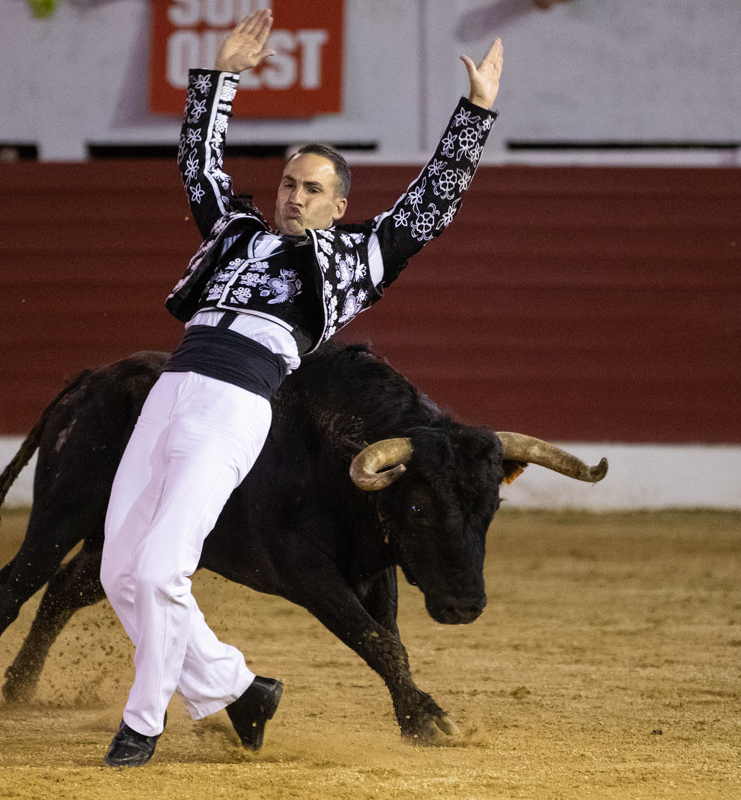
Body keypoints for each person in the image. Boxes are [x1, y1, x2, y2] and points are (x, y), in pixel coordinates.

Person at [99, 9, 503, 767]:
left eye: (311, 188)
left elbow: (429, 208)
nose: (292, 196)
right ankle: (236, 688)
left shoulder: (353, 257)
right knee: (120, 570)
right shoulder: (235, 231)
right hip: (173, 386)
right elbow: (198, 165)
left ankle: (143, 723)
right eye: (287, 183)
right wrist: (220, 77)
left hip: (235, 402)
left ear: (338, 207)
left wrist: (474, 114)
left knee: (161, 569)